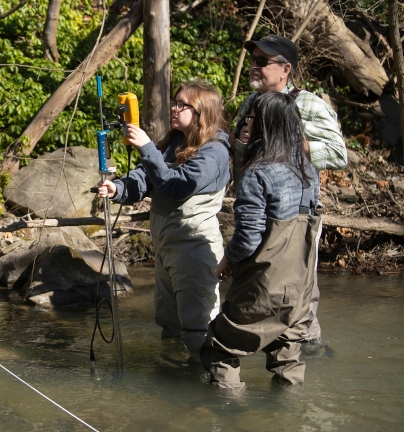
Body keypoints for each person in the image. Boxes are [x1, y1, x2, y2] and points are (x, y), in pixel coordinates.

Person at [230, 34, 348, 344]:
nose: (254, 67)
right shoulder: (250, 102)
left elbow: (338, 154)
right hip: (255, 210)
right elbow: (242, 154)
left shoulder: (308, 103)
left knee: (298, 292)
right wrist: (240, 143)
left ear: (286, 69)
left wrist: (290, 143)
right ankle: (265, 348)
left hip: (295, 216)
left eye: (261, 62)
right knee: (256, 286)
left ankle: (306, 354)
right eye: (253, 61)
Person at [97, 81, 230, 355]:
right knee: (169, 326)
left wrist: (147, 148)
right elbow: (148, 177)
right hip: (166, 250)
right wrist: (119, 188)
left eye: (183, 104)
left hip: (194, 250)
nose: (174, 108)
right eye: (175, 101)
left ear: (202, 111)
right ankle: (171, 387)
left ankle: (206, 387)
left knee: (198, 329)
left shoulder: (214, 151)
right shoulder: (174, 143)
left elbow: (176, 185)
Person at [201, 92, 321, 388]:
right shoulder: (309, 171)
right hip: (301, 286)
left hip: (265, 284)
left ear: (265, 125)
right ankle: (288, 424)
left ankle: (229, 421)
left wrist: (227, 260)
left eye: (251, 118)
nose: (245, 123)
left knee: (220, 347)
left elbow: (248, 237)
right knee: (287, 355)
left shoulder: (257, 173)